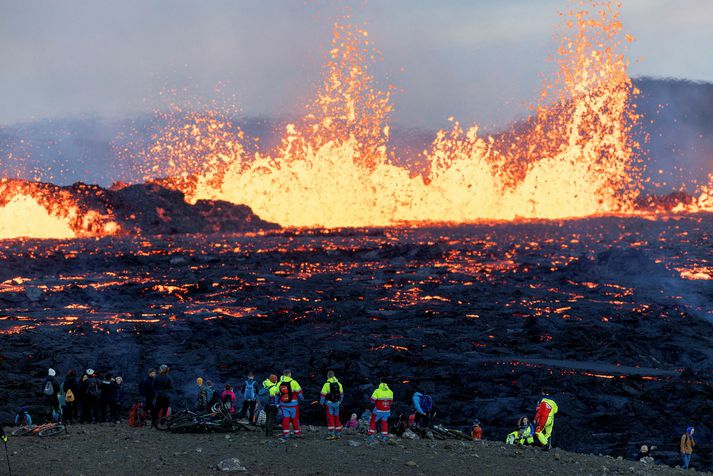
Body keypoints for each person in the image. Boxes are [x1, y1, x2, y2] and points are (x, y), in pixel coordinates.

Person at [270, 369, 304, 440]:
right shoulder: (294, 382)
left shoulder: (279, 383)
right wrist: (302, 399)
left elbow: (277, 395)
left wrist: (276, 403)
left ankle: (286, 434)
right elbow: (299, 392)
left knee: (286, 419)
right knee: (295, 419)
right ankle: (297, 434)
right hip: (293, 405)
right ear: (289, 374)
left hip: (283, 405)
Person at [319, 370, 344, 440]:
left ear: (328, 376)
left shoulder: (326, 385)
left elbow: (323, 395)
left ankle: (331, 434)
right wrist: (339, 402)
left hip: (329, 404)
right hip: (337, 404)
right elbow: (342, 395)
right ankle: (338, 434)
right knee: (337, 418)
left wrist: (321, 403)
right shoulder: (339, 384)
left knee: (330, 419)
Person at [368, 377, 393, 442]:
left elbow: (372, 400)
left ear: (380, 382)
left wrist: (377, 403)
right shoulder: (390, 392)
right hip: (387, 411)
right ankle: (384, 436)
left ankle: (371, 435)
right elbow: (391, 402)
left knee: (373, 421)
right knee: (384, 423)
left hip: (378, 411)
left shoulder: (377, 391)